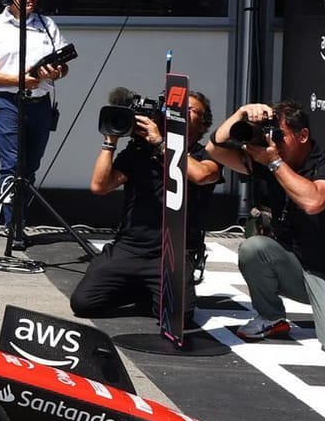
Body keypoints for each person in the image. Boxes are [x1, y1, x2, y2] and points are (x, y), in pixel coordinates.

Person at [69, 89, 221, 318]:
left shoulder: (205, 156)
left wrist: (161, 143)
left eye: (189, 111)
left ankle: (148, 290)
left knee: (177, 317)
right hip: (129, 248)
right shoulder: (140, 151)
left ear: (203, 122)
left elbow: (200, 175)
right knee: (83, 303)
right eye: (176, 110)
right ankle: (140, 289)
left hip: (172, 252)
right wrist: (110, 140)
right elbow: (100, 186)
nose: (181, 114)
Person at [205, 102, 325, 349]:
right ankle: (271, 317)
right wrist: (241, 113)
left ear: (303, 136)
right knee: (254, 248)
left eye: (279, 136)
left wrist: (275, 163)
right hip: (298, 268)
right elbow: (214, 149)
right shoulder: (269, 163)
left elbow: (314, 201)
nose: (273, 142)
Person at [0, 0, 71, 243]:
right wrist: (18, 80)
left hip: (41, 103)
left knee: (31, 166)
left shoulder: (47, 25)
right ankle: (12, 225)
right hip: (8, 102)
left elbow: (64, 67)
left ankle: (20, 219)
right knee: (13, 166)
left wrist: (54, 72)